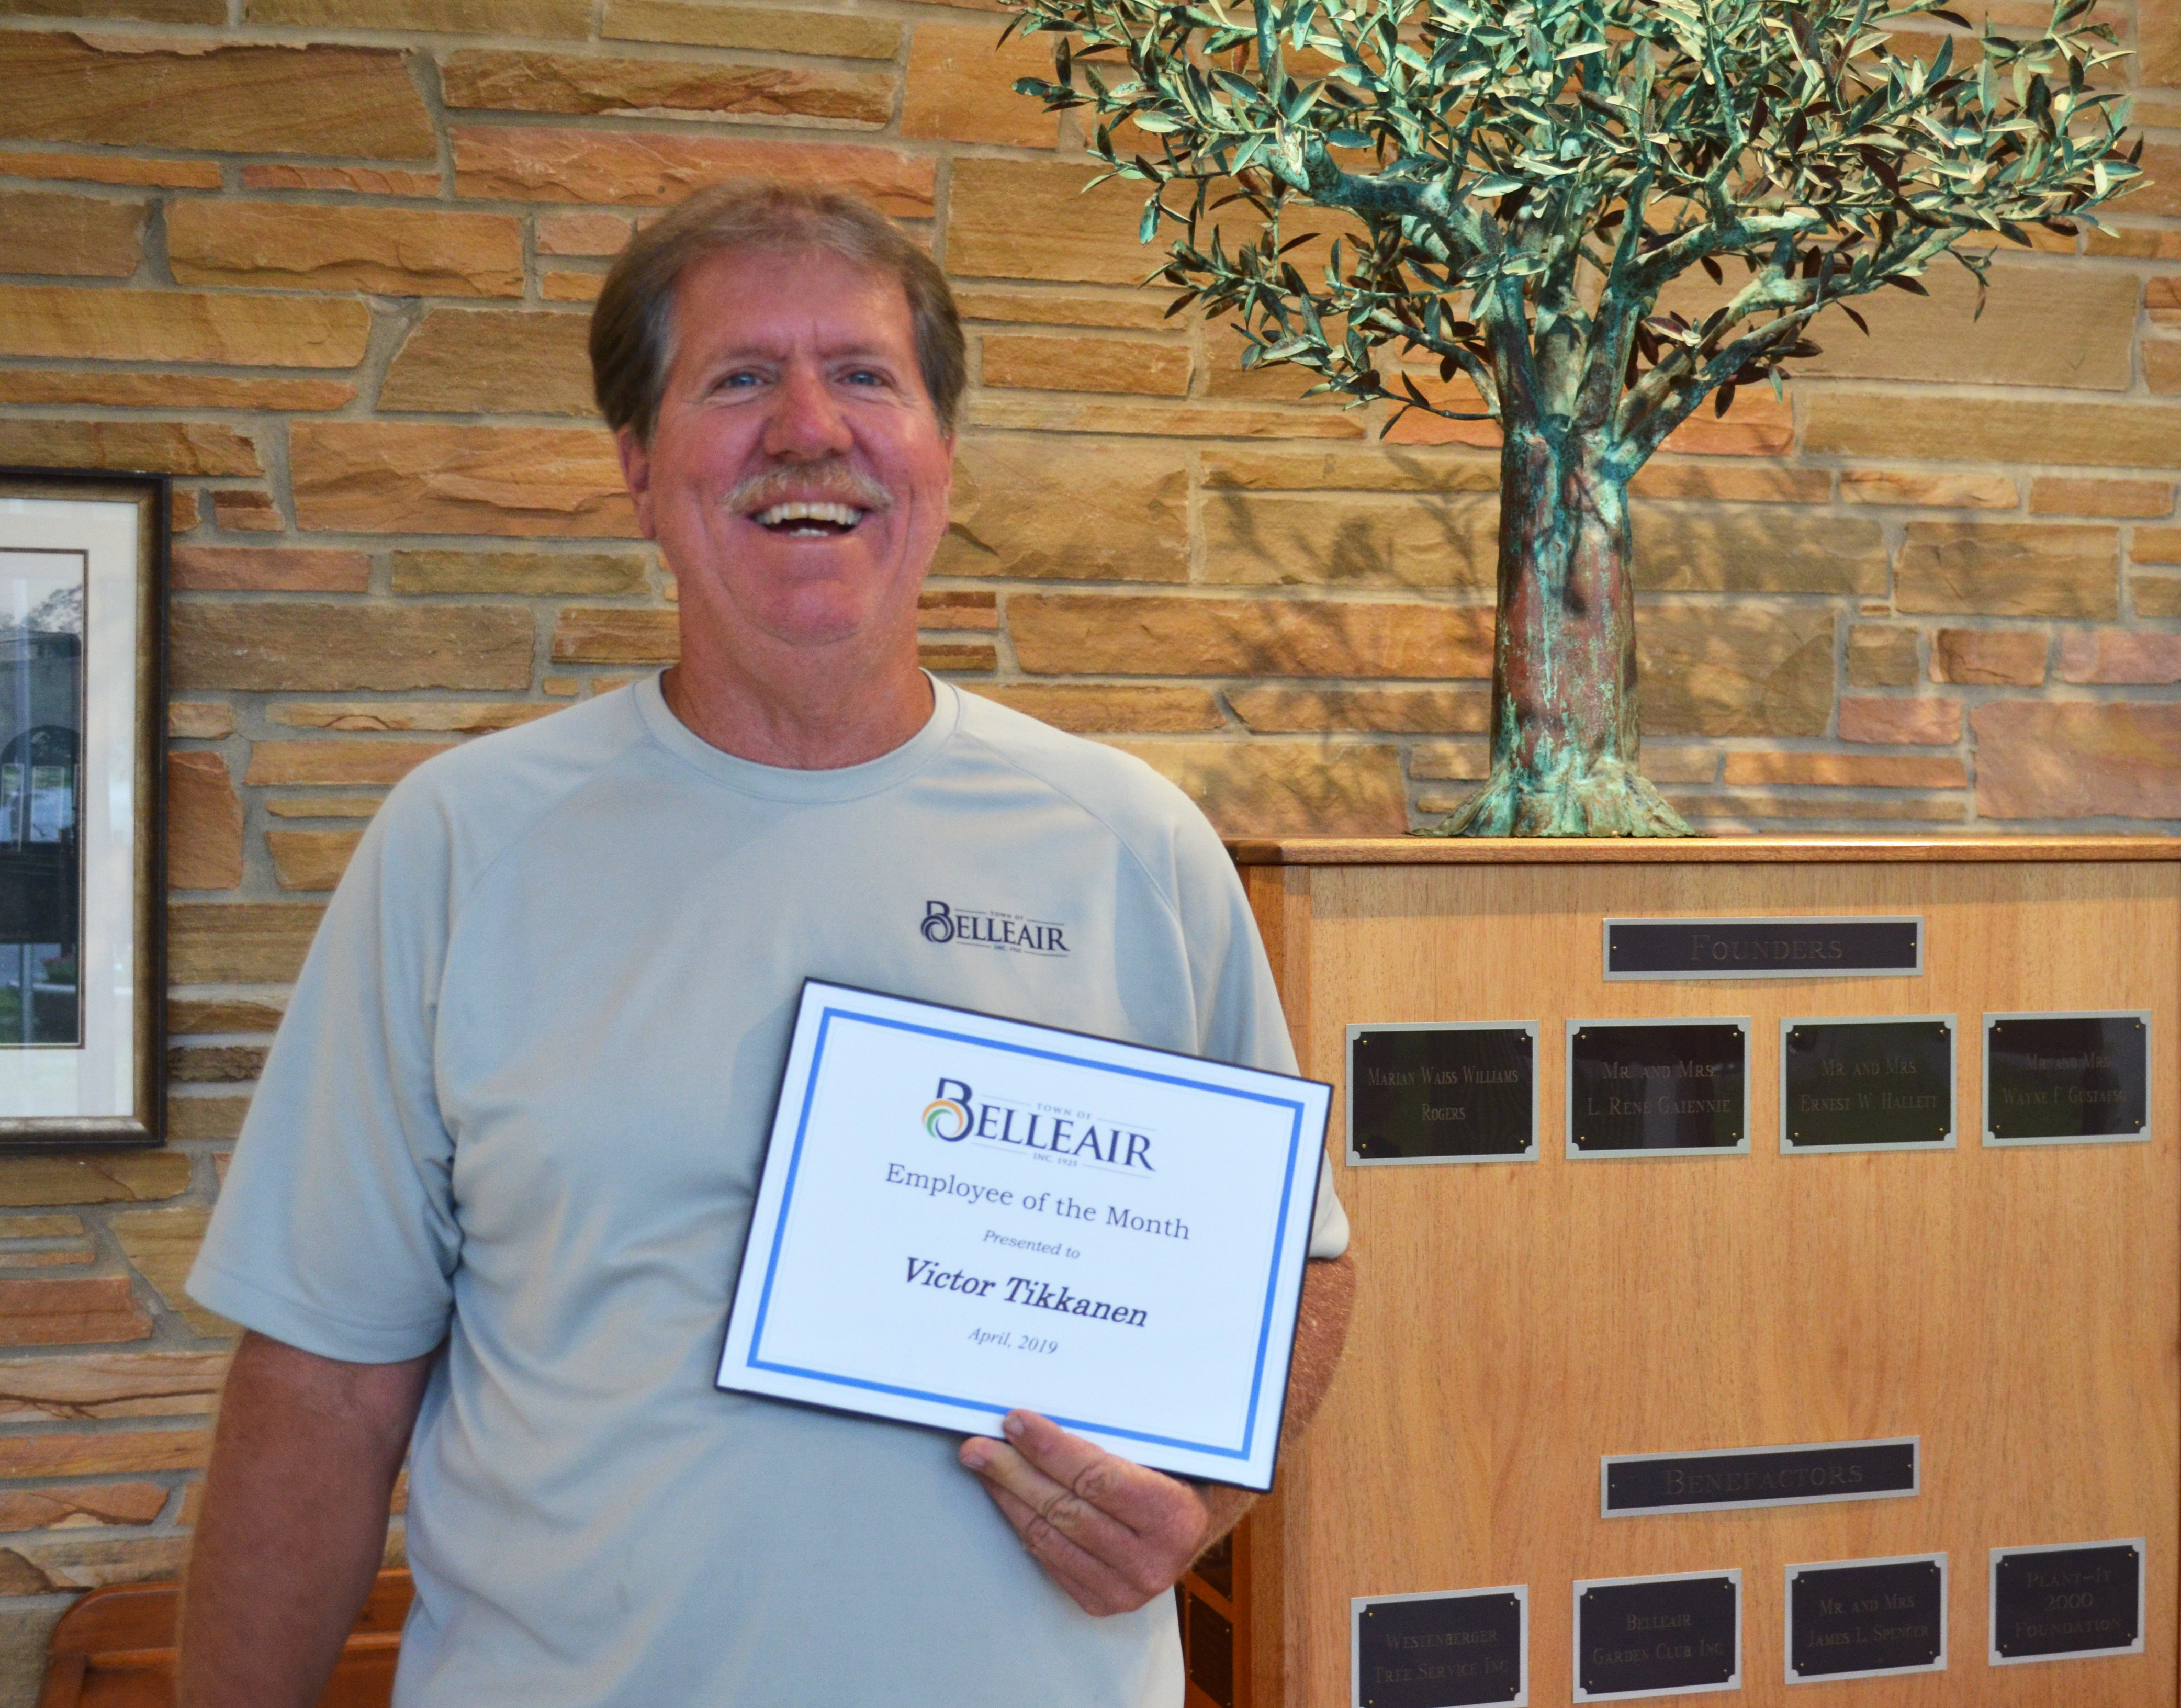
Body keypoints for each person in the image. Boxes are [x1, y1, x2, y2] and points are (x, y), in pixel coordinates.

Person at [175, 181, 1354, 1707]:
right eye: (739, 380)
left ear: (939, 453)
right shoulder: (462, 843)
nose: (811, 428)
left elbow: (1301, 1274)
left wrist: (1204, 1508)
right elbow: (325, 1389)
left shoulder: (1132, 844)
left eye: (866, 376)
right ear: (639, 468)